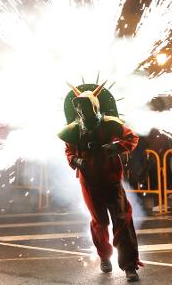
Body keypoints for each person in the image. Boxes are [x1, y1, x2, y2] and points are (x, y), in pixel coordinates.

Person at [58, 83, 142, 281]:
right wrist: (76, 160)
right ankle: (105, 256)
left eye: (84, 105)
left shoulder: (110, 123)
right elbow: (69, 151)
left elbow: (132, 138)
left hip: (112, 179)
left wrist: (115, 147)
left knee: (122, 219)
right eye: (77, 105)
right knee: (99, 221)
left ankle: (129, 265)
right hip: (89, 182)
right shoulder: (74, 130)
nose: (80, 109)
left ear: (94, 105)